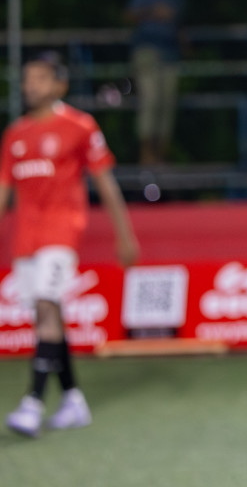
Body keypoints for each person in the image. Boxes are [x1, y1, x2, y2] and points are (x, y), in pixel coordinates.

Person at [1, 53, 139, 437]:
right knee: (48, 319)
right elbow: (3, 190)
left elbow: (105, 181)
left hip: (61, 231)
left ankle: (32, 402)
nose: (31, 85)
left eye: (40, 78)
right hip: (25, 237)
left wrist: (124, 234)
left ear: (59, 85)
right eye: (27, 78)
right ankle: (73, 399)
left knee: (47, 306)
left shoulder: (80, 126)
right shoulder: (15, 134)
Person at [125, 0, 186, 164]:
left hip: (170, 53)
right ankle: (146, 156)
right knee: (150, 100)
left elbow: (179, 26)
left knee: (167, 104)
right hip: (147, 50)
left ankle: (160, 156)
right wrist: (153, 12)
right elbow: (129, 14)